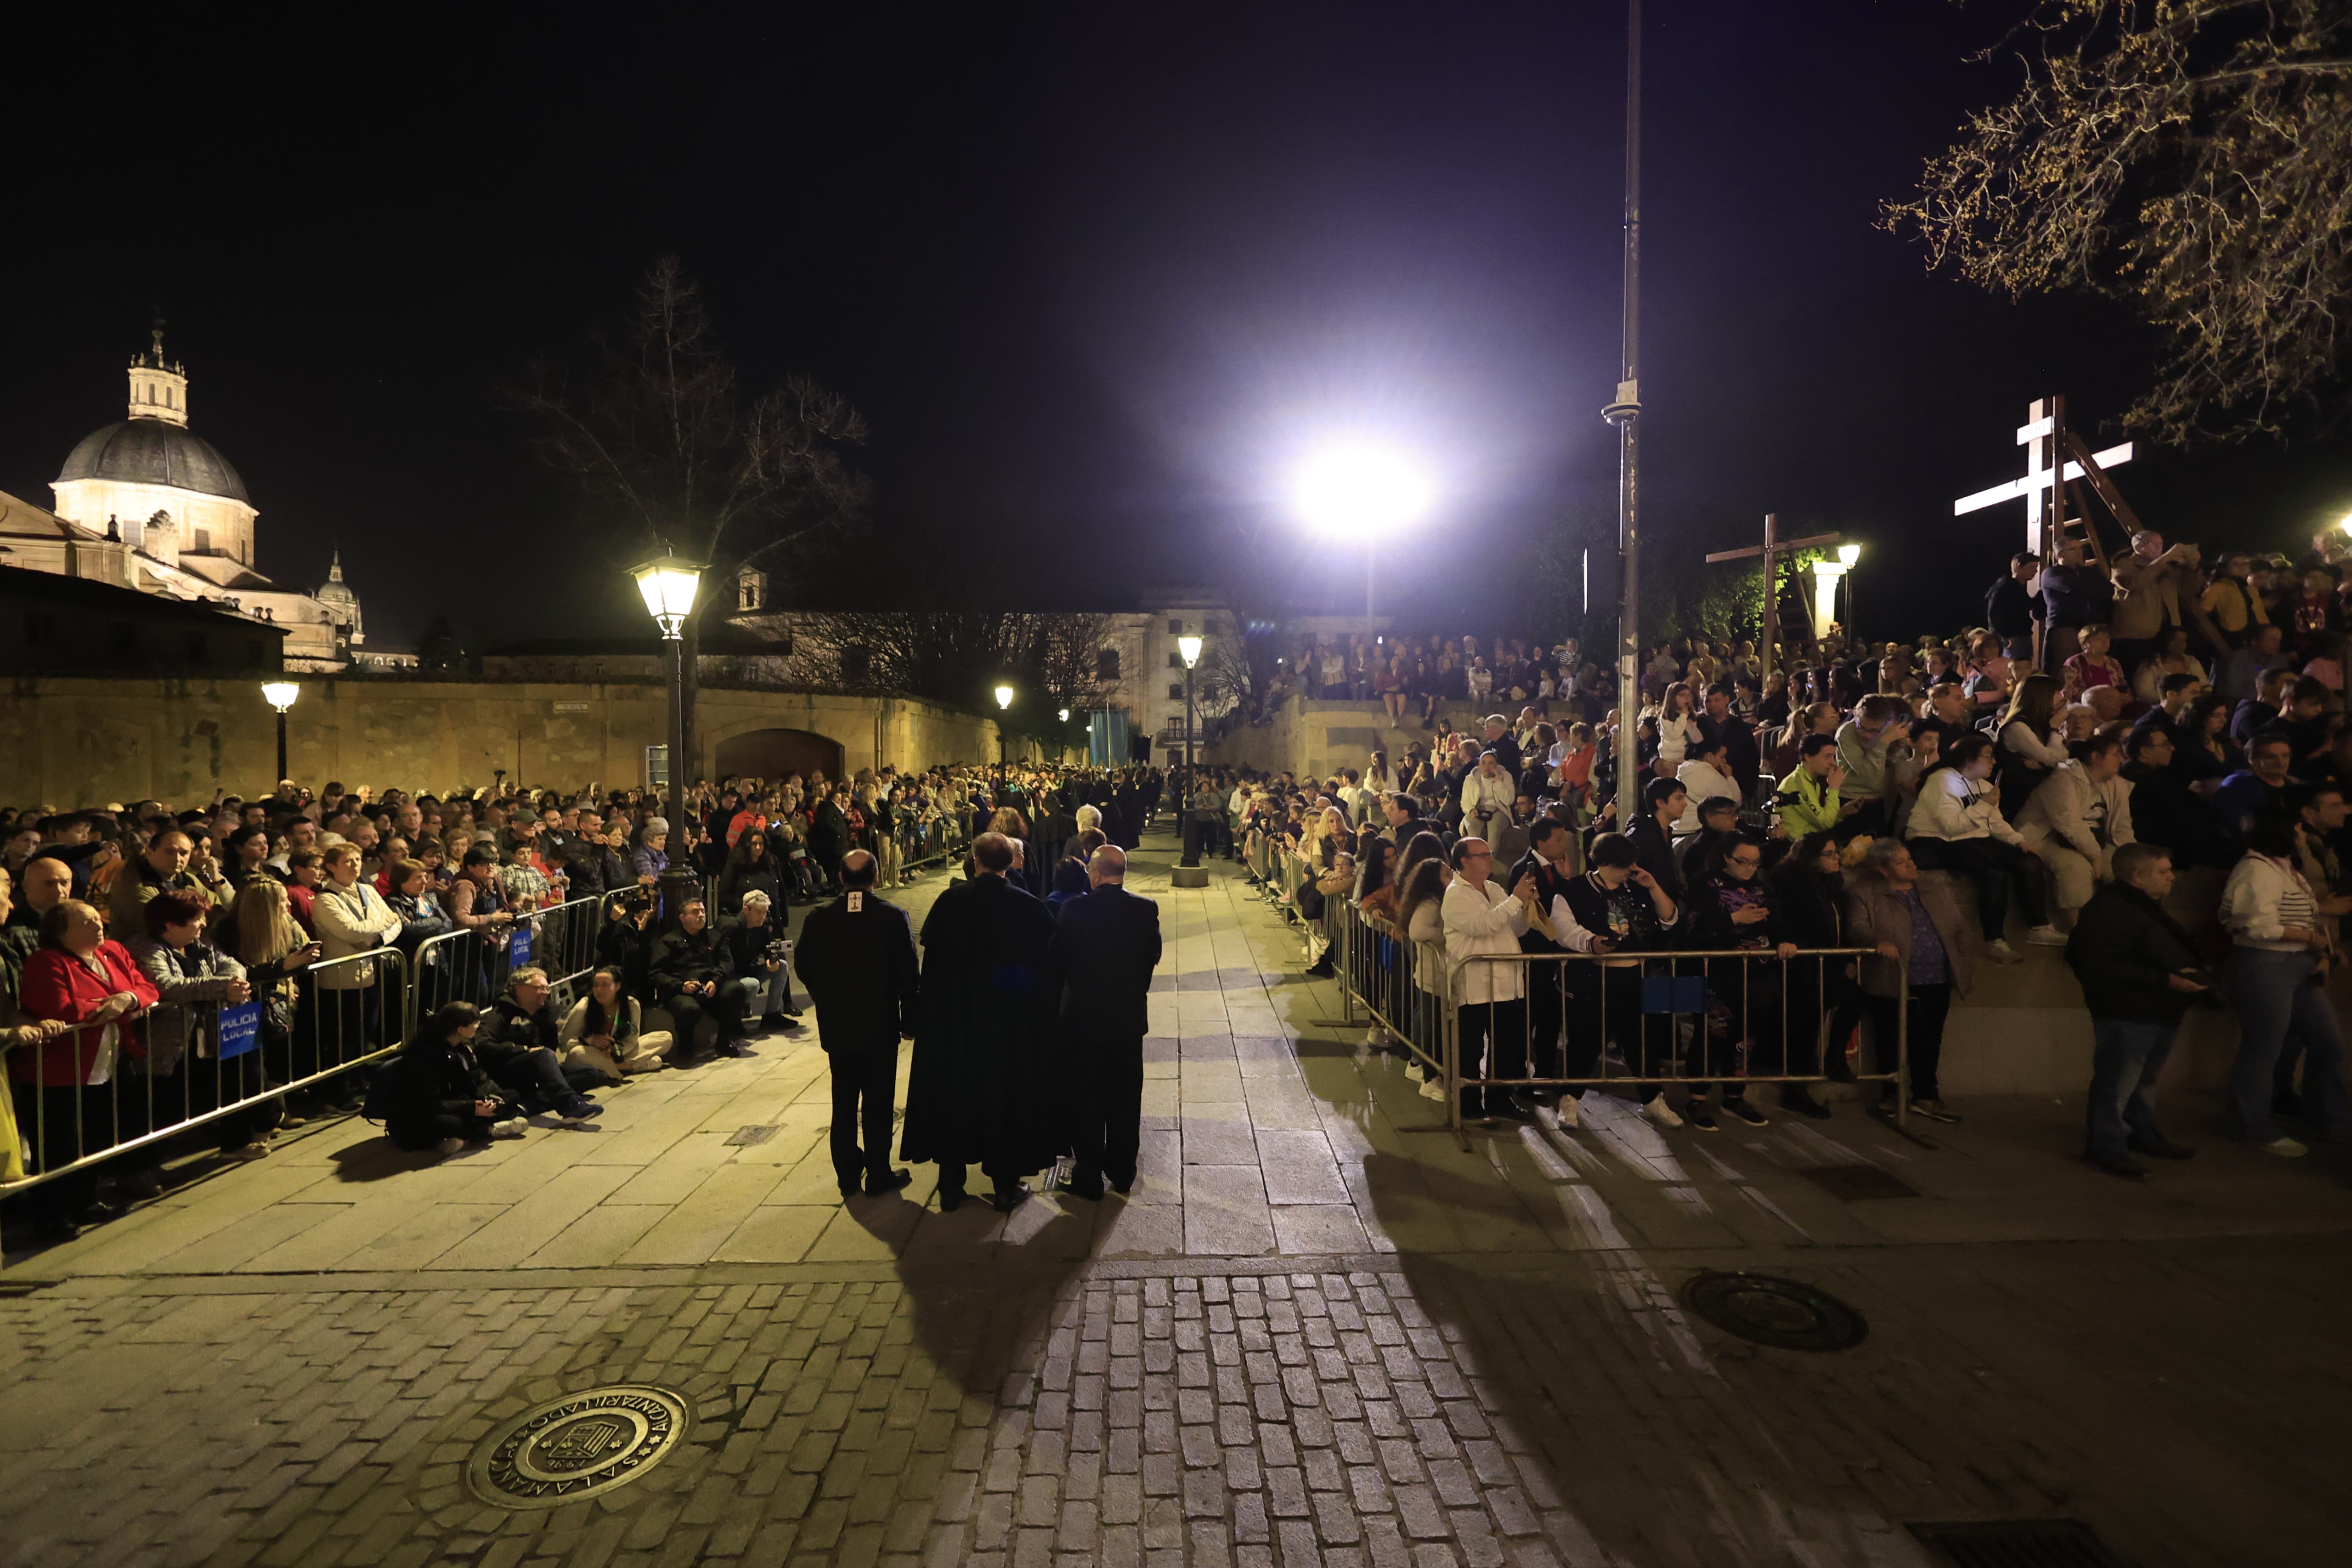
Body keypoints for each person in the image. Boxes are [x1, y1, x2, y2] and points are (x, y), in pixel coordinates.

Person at [899, 832, 1059, 1211]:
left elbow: (932, 965)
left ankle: (951, 1186)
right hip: (1008, 1025)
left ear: (975, 860)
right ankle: (1005, 1185)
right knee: (1005, 1097)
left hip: (955, 1021)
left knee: (953, 1095)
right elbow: (1045, 970)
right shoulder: (1028, 906)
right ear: (1009, 863)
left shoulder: (950, 901)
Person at [12, 899, 163, 1238]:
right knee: (59, 1143)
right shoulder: (46, 961)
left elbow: (147, 987)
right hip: (61, 1067)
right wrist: (115, 1003)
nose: (99, 927)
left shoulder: (112, 951)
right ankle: (52, 1215)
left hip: (109, 1060)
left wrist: (128, 999)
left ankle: (84, 1199)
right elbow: (61, 1008)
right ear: (61, 933)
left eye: (98, 919)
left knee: (96, 1135)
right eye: (87, 922)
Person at [2063, 843, 2206, 1180]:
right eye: (2163, 871)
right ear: (2138, 875)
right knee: (2118, 1079)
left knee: (2144, 1079)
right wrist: (2167, 979)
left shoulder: (2141, 906)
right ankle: (2107, 1144)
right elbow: (2098, 964)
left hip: (2157, 1008)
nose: (2172, 877)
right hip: (2128, 1010)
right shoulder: (2111, 908)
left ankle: (2140, 1132)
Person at [2217, 814, 2350, 1156]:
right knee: (2263, 1048)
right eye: (2298, 831)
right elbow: (2256, 926)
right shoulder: (2256, 870)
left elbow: (2301, 914)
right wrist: (2311, 938)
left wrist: (2322, 949)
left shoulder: (2284, 867)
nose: (2303, 836)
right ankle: (2252, 1126)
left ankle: (2327, 1117)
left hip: (2298, 963)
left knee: (2328, 1042)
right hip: (2266, 963)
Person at [793, 849, 922, 1199]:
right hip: (879, 1023)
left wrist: (826, 995)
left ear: (840, 878)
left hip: (838, 1024)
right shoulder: (892, 918)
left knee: (844, 1099)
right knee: (878, 1103)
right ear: (876, 877)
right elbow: (908, 974)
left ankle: (847, 1173)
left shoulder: (820, 918)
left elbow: (803, 965)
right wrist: (910, 1018)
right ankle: (878, 1172)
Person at [1044, 845, 1163, 1200]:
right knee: (1125, 1097)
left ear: (1094, 874)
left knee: (1087, 1097)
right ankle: (1123, 1171)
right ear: (1122, 872)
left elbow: (1058, 959)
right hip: (1126, 1018)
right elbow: (1151, 957)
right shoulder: (1145, 909)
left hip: (1082, 1018)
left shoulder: (1074, 909)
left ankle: (1089, 1173)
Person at [1549, 832, 1682, 1128]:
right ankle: (1569, 1100)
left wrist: (1654, 887)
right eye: (1622, 866)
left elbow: (1670, 919)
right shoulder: (1574, 890)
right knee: (1586, 1040)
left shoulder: (1636, 888)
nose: (1628, 871)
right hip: (1594, 976)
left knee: (1643, 1041)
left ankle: (1653, 1099)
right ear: (1604, 862)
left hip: (1638, 975)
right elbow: (1562, 928)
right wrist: (1591, 942)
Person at [127, 887, 270, 1162]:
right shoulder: (145, 948)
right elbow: (168, 986)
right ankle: (147, 1166)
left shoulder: (200, 944)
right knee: (158, 1106)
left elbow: (232, 965)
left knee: (227, 1085)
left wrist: (232, 983)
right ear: (171, 924)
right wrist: (222, 988)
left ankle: (235, 1143)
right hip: (165, 1041)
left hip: (207, 1035)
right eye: (197, 919)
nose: (204, 924)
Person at [1844, 838, 1971, 1124]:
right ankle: (1891, 1094)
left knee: (1929, 1039)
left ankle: (1926, 1095)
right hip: (1894, 977)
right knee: (1891, 1037)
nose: (1911, 865)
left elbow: (1958, 924)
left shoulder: (1931, 888)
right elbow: (1857, 926)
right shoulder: (1867, 893)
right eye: (1901, 862)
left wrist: (1961, 952)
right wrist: (1880, 941)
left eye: (1910, 859)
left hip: (1936, 978)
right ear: (1883, 868)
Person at [1442, 838, 1538, 1123]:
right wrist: (1516, 900)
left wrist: (1525, 907)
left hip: (1506, 983)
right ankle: (1468, 1104)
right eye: (1481, 855)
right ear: (1464, 862)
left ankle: (1499, 1100)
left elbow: (1514, 929)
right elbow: (1481, 926)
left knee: (1507, 1047)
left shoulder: (1495, 888)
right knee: (1471, 1048)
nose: (1488, 859)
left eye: (1489, 854)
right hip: (1475, 983)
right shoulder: (1456, 894)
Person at [376, 1001, 527, 1154]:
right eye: (475, 1023)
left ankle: (460, 1138)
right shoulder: (424, 1056)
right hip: (420, 1114)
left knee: (511, 1096)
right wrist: (471, 1108)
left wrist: (493, 1100)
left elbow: (479, 1078)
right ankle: (490, 1131)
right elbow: (427, 1104)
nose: (478, 1026)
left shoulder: (461, 1047)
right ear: (460, 1029)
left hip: (456, 1101)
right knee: (450, 1123)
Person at [2016, 734, 2136, 919]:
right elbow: (2069, 824)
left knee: (2126, 867)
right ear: (2096, 757)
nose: (2122, 759)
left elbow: (2123, 824)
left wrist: (2132, 853)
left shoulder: (2117, 784)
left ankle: (2125, 926)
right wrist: (2095, 856)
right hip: (2045, 837)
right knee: (2076, 867)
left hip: (2092, 839)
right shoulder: (2063, 778)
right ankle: (2079, 932)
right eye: (2116, 754)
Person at [482, 967, 606, 1117]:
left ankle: (532, 1104)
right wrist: (524, 1050)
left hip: (538, 1068)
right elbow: (483, 1046)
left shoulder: (546, 1015)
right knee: (543, 1055)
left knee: (589, 1073)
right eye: (540, 988)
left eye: (547, 988)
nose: (546, 993)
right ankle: (570, 1104)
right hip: (509, 1069)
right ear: (519, 989)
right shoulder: (499, 1015)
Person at [650, 897, 758, 1060]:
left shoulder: (715, 936)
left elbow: (727, 962)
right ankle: (686, 1046)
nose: (701, 915)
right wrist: (681, 986)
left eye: (703, 911)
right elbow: (656, 973)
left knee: (736, 989)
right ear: (683, 917)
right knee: (689, 1009)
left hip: (711, 985)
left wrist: (716, 981)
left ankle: (724, 1041)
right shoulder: (669, 941)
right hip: (682, 989)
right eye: (695, 912)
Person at [559, 966, 673, 1079]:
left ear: (617, 987)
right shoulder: (583, 1008)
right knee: (577, 1054)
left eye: (605, 985)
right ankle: (629, 1066)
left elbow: (632, 1040)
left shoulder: (631, 1005)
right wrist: (592, 1040)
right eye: (596, 985)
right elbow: (564, 1043)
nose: (599, 990)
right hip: (591, 1052)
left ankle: (610, 1068)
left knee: (666, 1038)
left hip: (619, 1052)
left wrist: (615, 1051)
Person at [717, 890, 803, 1032]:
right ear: (746, 910)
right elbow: (722, 960)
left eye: (765, 912)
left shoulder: (761, 927)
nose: (762, 916)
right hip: (731, 977)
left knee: (782, 966)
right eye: (758, 912)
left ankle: (772, 1015)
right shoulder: (732, 927)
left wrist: (772, 959)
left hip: (749, 970)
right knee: (753, 984)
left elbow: (770, 949)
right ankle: (734, 1018)